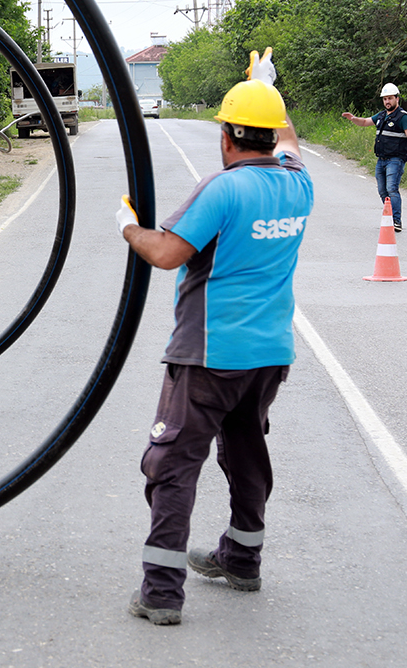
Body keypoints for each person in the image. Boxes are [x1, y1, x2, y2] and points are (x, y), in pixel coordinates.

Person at [116, 79, 313, 626]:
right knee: (248, 451)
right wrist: (270, 88)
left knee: (173, 464)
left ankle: (160, 591)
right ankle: (243, 558)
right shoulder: (299, 184)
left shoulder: (223, 190)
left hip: (209, 354)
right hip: (270, 355)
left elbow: (165, 252)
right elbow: (289, 139)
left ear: (226, 135)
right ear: (270, 136)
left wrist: (129, 227)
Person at [341, 83, 407, 232]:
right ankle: (389, 217)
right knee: (382, 191)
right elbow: (365, 122)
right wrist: (353, 118)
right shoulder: (381, 116)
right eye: (385, 99)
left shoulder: (403, 117)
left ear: (397, 99)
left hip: (396, 160)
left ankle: (396, 220)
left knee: (392, 189)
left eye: (390, 98)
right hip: (381, 160)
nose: (387, 102)